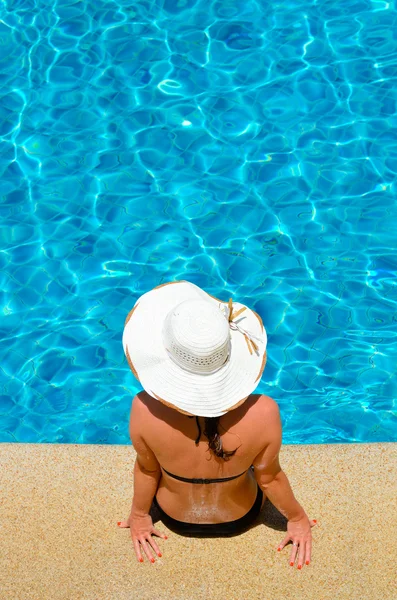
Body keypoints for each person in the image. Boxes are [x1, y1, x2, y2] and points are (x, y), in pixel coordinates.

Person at [118, 280, 317, 568]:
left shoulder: (144, 409)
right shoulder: (263, 412)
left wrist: (139, 516)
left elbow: (147, 469)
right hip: (239, 518)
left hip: (175, 518)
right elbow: (269, 478)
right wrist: (297, 519)